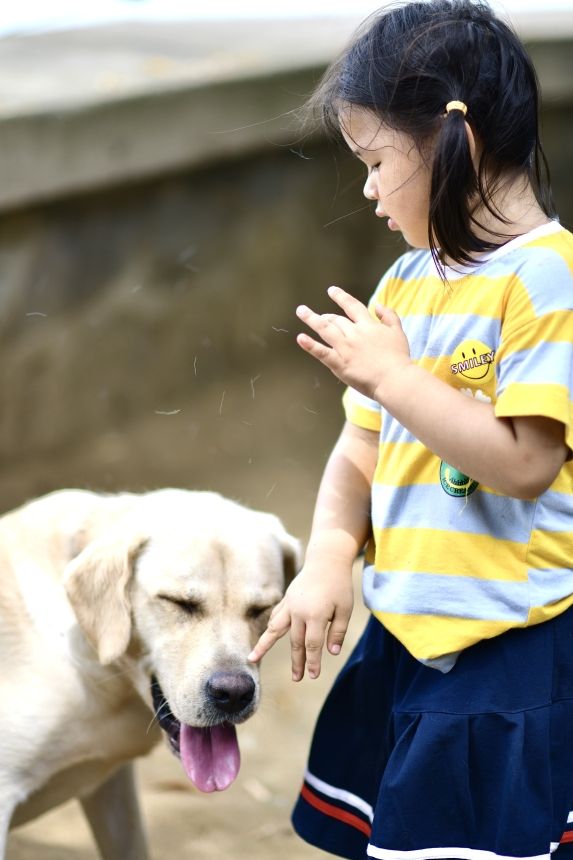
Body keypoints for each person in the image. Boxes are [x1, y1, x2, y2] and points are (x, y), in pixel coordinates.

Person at [248, 1, 573, 858]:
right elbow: (361, 445)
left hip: (506, 641)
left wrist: (394, 376)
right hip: (407, 628)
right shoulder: (403, 282)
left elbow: (526, 464)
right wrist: (326, 558)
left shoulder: (544, 281)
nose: (366, 191)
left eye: (375, 161)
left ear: (451, 143)